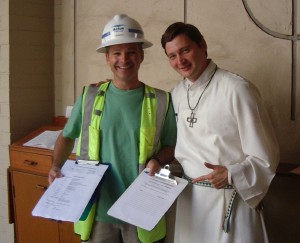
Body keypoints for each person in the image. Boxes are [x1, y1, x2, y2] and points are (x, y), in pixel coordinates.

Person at [48, 14, 177, 243]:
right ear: (107, 57)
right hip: (99, 211)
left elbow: (170, 146)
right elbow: (67, 136)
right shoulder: (89, 97)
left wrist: (158, 160)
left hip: (141, 209)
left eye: (130, 52)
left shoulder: (162, 100)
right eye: (116, 53)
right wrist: (56, 166)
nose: (123, 59)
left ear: (141, 56)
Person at [161, 22, 280, 243]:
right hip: (190, 204)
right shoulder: (175, 94)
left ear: (202, 45)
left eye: (185, 50)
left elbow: (266, 157)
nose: (180, 61)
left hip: (229, 202)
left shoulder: (237, 89)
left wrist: (231, 174)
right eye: (172, 56)